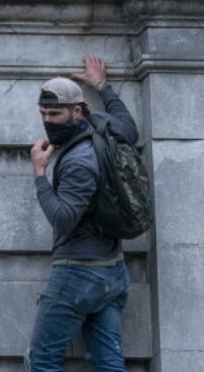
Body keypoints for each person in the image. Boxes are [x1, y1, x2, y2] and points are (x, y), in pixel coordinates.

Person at [26, 55, 139, 371]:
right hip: (113, 271)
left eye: (55, 113)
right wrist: (101, 86)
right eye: (43, 114)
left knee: (42, 359)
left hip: (77, 272)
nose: (48, 120)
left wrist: (39, 175)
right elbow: (129, 126)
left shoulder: (77, 161)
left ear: (76, 111)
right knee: (108, 361)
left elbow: (63, 219)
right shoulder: (105, 128)